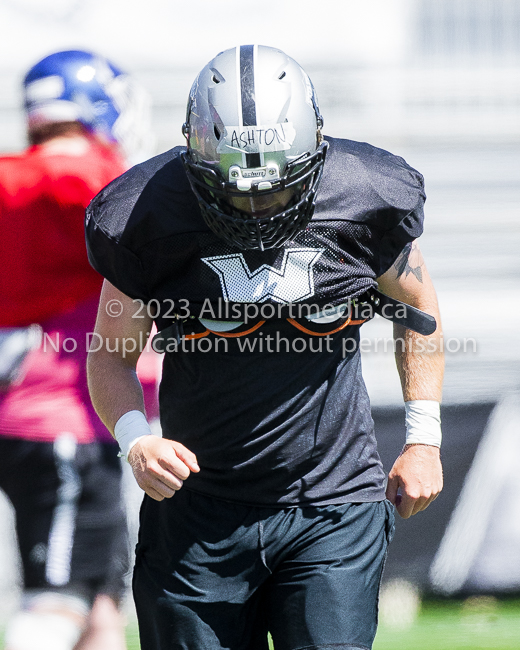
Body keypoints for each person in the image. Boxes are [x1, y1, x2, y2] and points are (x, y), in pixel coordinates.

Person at [85, 44, 444, 650]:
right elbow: (111, 353)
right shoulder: (147, 214)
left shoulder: (364, 194)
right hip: (199, 507)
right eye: (236, 191)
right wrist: (135, 438)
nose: (256, 208)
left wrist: (424, 437)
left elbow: (419, 316)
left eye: (275, 190)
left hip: (333, 500)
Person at [0, 49, 156, 650]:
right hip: (59, 418)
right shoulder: (85, 176)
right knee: (56, 602)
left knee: (101, 606)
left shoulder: (17, 178)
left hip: (58, 420)